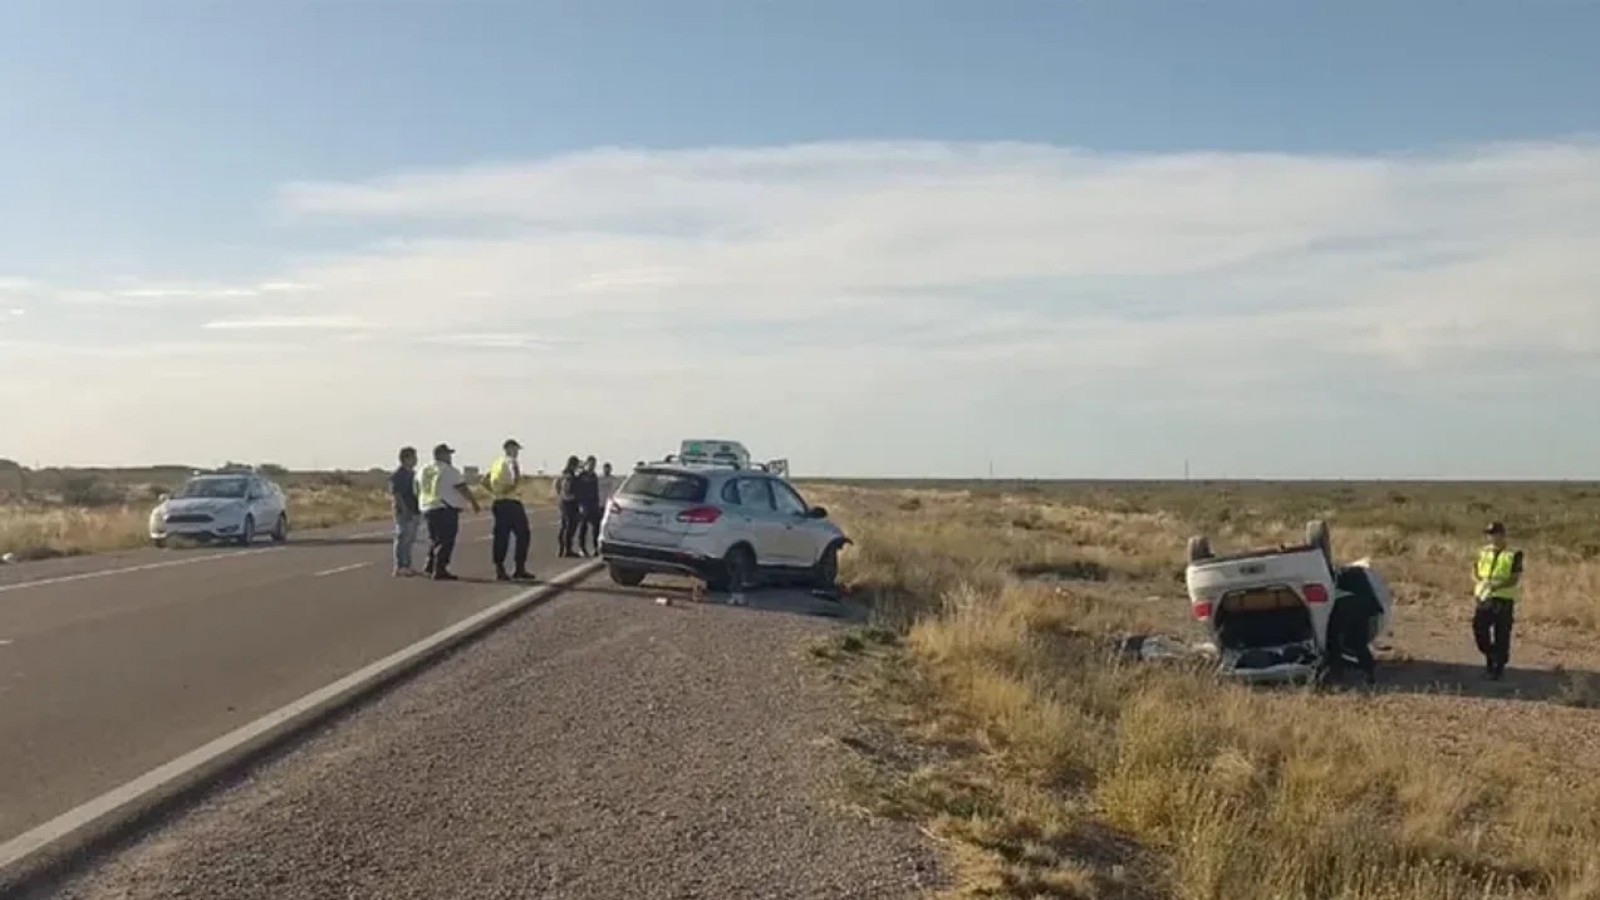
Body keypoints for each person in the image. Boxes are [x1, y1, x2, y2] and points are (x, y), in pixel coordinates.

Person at [417, 443, 480, 581]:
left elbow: (417, 487)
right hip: (445, 507)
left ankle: (429, 565)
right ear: (441, 455)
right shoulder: (448, 470)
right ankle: (440, 568)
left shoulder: (424, 470)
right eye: (447, 454)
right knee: (446, 539)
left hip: (428, 507)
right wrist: (474, 502)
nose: (450, 457)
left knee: (434, 538)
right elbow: (462, 488)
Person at [1472, 521, 1524, 680]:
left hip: (1504, 598)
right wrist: (1480, 584)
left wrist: (1494, 587)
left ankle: (1496, 668)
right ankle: (1491, 654)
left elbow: (1514, 579)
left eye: (1495, 534)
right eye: (1489, 534)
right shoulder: (1483, 552)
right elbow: (1475, 571)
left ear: (1502, 535)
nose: (1492, 537)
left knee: (1502, 634)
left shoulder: (1514, 554)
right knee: (1479, 629)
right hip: (1484, 597)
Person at [483, 438, 535, 582]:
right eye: (515, 449)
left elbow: (484, 480)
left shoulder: (496, 463)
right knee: (523, 534)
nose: (517, 452)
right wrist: (512, 488)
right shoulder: (511, 461)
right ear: (509, 448)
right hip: (511, 502)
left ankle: (499, 568)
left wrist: (495, 493)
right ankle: (519, 568)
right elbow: (516, 477)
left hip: (498, 502)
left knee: (501, 536)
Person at [388, 446, 421, 577]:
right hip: (403, 511)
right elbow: (397, 494)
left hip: (414, 509)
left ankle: (407, 564)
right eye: (413, 457)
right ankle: (400, 565)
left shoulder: (413, 474)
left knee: (410, 539)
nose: (415, 460)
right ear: (406, 459)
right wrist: (404, 509)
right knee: (402, 537)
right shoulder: (398, 475)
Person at [573, 455, 602, 556]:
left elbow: (596, 491)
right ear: (587, 464)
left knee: (596, 527)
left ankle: (596, 547)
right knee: (583, 527)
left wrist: (597, 503)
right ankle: (582, 547)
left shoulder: (594, 476)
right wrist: (580, 504)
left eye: (594, 464)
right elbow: (577, 490)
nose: (592, 466)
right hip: (584, 504)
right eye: (591, 464)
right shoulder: (581, 476)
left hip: (593, 504)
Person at [554, 455, 581, 558]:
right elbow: (566, 487)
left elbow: (557, 484)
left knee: (564, 526)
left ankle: (562, 548)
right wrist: (569, 495)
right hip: (569, 502)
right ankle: (567, 549)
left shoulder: (564, 473)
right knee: (570, 526)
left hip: (564, 501)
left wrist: (560, 495)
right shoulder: (569, 475)